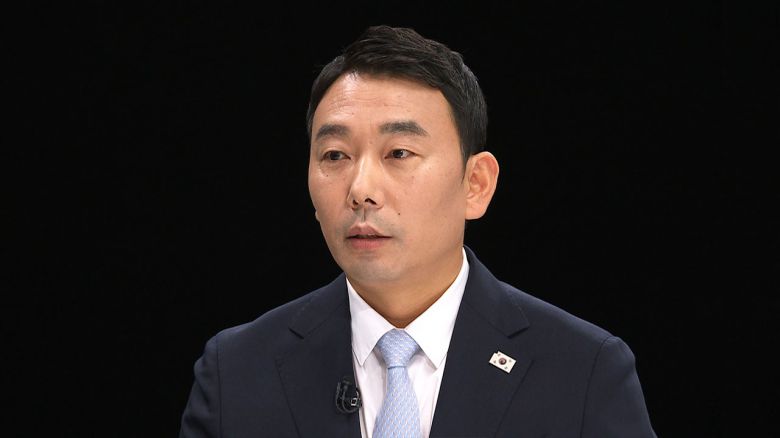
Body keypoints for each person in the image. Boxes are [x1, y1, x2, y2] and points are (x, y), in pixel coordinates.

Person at [179, 25, 656, 437]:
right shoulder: (236, 372)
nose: (361, 190)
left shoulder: (583, 372)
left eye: (399, 153)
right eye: (335, 155)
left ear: (475, 184)